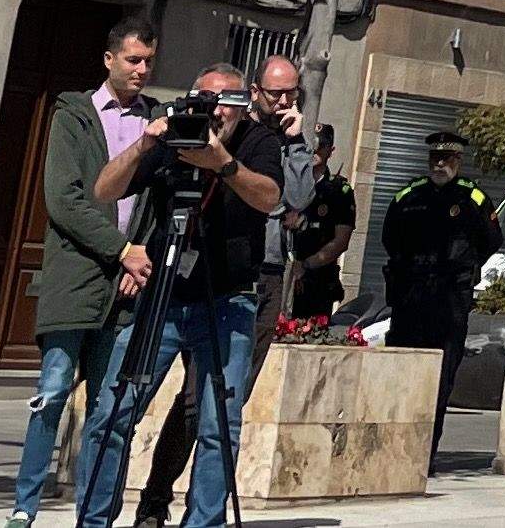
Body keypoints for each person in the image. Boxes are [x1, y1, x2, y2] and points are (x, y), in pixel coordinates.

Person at [71, 66, 286, 528]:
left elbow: (269, 198)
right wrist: (146, 145)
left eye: (221, 102)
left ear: (243, 104)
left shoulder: (257, 141)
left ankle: (202, 522)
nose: (211, 111)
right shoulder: (174, 135)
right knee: (112, 410)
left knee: (217, 424)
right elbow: (103, 189)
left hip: (228, 298)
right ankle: (94, 519)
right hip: (164, 297)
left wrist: (222, 164)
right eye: (201, 99)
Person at [137, 58, 308, 526]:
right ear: (253, 93)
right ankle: (156, 498)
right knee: (195, 402)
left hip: (262, 275)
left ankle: (198, 511)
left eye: (291, 92)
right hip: (205, 275)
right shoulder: (230, 131)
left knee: (223, 403)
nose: (283, 101)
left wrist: (297, 144)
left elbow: (296, 198)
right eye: (274, 93)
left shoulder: (282, 142)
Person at [11, 18, 159, 528]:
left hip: (127, 285)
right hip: (76, 278)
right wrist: (122, 250)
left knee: (111, 409)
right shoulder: (74, 115)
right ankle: (23, 507)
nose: (141, 70)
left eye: (148, 62)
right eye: (133, 60)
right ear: (109, 59)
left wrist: (137, 262)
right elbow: (64, 200)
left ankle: (93, 517)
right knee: (52, 392)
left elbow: (154, 206)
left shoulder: (154, 122)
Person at [380, 134, 499, 447]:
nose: (439, 165)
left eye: (446, 159)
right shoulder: (409, 195)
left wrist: (463, 267)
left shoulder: (472, 199)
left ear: (458, 162)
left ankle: (425, 452)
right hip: (410, 299)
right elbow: (390, 238)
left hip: (448, 303)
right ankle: (393, 446)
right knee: (401, 373)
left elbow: (491, 241)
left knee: (440, 379)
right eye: (435, 158)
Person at [287, 126, 355, 321]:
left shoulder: (339, 191)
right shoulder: (289, 183)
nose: (315, 151)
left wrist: (305, 265)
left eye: (321, 145)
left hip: (317, 281)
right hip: (284, 276)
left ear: (330, 150)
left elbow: (341, 241)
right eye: (311, 145)